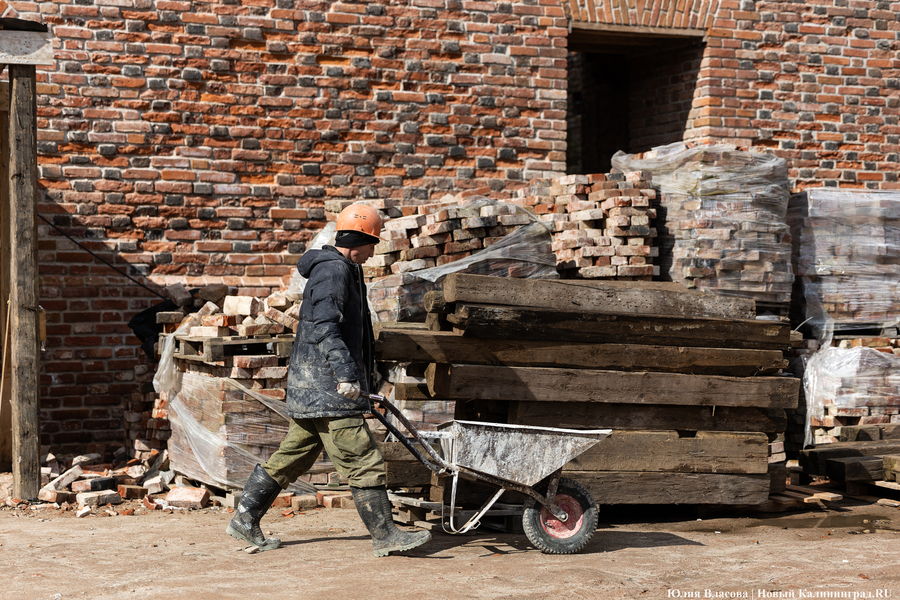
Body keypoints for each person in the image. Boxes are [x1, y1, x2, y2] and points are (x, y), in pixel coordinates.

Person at [226, 203, 431, 557]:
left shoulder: (344, 269)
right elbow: (326, 327)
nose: (373, 252)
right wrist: (346, 375)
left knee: (292, 456)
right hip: (328, 388)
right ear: (360, 239)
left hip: (316, 387)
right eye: (373, 245)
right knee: (362, 457)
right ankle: (385, 535)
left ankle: (244, 518)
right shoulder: (334, 271)